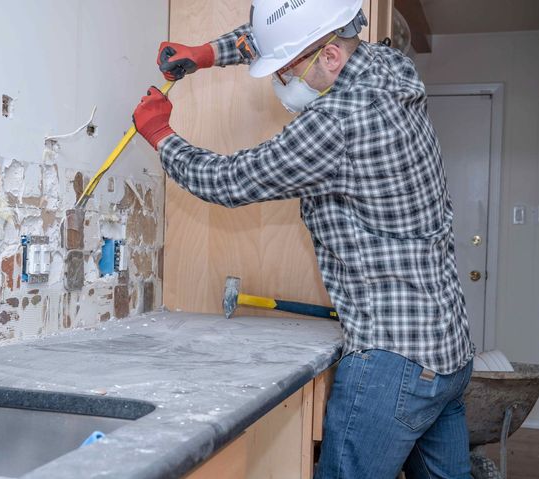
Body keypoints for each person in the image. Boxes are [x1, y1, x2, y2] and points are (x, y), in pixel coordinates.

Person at [132, 0, 475, 477]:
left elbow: (230, 180)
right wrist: (208, 53)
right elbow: (281, 36)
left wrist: (161, 134)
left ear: (331, 58)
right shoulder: (388, 64)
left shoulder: (337, 123)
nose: (282, 81)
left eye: (289, 70)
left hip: (392, 362)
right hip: (449, 353)